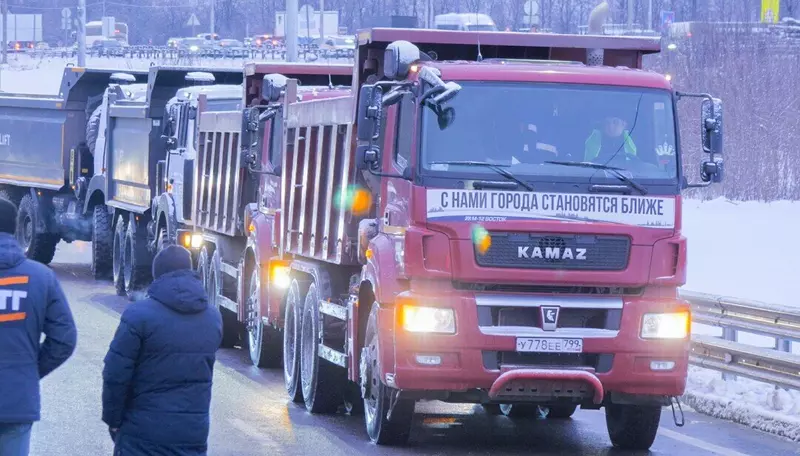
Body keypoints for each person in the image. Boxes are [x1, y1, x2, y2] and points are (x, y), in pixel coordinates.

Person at [102, 244, 222, 455]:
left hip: (141, 436)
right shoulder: (212, 318)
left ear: (157, 275)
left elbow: (115, 374)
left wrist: (113, 420)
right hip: (191, 436)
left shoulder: (138, 315)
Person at [0, 197, 77, 456]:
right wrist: (30, 370)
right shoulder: (41, 277)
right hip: (17, 402)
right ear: (14, 228)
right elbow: (64, 338)